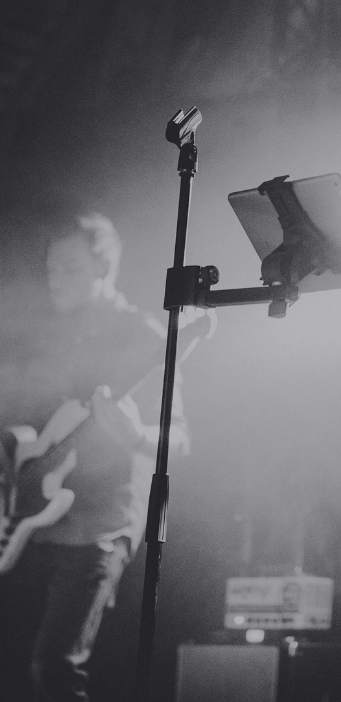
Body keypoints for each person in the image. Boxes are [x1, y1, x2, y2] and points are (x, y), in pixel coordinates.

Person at [0, 212, 192, 702]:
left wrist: (135, 436)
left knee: (54, 667)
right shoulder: (50, 335)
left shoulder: (142, 337)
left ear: (104, 269)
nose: (55, 280)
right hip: (29, 521)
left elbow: (180, 440)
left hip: (97, 524)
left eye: (70, 268)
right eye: (51, 269)